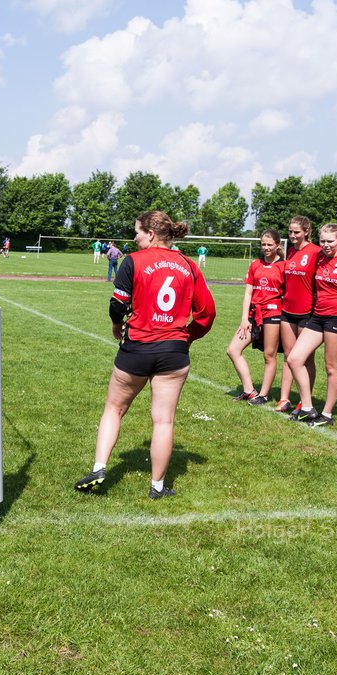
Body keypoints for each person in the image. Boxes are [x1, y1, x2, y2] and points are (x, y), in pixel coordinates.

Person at [74, 211, 217, 499]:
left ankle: (100, 468)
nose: (134, 237)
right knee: (163, 420)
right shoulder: (188, 265)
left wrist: (117, 326)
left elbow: (117, 306)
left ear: (151, 233)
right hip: (174, 352)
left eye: (137, 231)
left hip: (137, 347)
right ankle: (157, 487)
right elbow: (208, 312)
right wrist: (187, 336)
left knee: (114, 408)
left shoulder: (134, 261)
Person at [284, 224, 337, 426]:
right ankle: (308, 407)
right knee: (294, 358)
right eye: (323, 241)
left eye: (330, 241)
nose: (326, 245)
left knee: (331, 367)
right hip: (318, 315)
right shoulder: (320, 258)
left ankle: (326, 414)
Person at [227, 230, 285, 404]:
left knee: (269, 355)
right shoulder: (255, 265)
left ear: (277, 245)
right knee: (233, 350)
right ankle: (249, 390)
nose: (266, 248)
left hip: (274, 314)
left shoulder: (284, 266)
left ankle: (264, 395)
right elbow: (248, 293)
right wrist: (244, 318)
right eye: (263, 244)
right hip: (254, 314)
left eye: (269, 244)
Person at [277, 215, 321, 413]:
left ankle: (305, 400)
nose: (293, 235)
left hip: (307, 312)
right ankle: (284, 398)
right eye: (290, 232)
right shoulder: (291, 251)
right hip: (287, 310)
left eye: (297, 232)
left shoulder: (316, 252)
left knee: (305, 359)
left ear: (307, 232)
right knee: (288, 356)